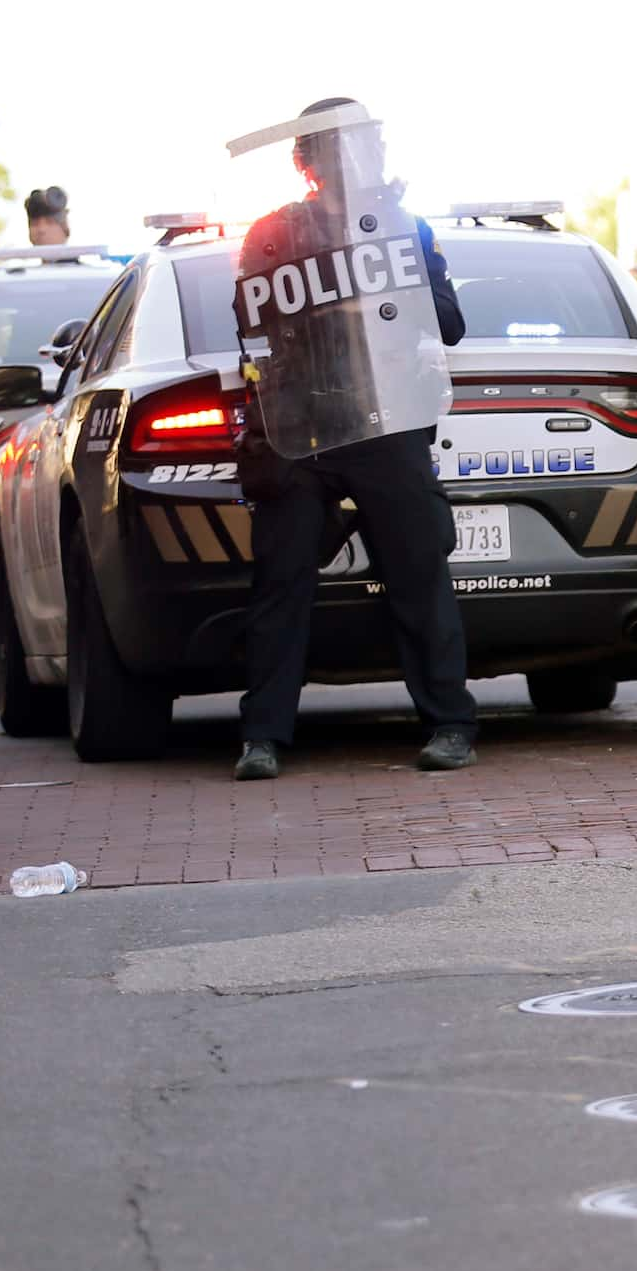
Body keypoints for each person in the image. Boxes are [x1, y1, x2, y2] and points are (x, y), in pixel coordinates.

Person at [232, 100, 476, 781]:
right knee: (280, 583)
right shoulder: (273, 233)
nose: (354, 156)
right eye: (336, 146)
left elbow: (450, 322)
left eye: (362, 143)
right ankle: (263, 737)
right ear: (308, 158)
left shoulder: (406, 228)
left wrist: (380, 289)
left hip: (387, 420)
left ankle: (451, 724)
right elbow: (250, 324)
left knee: (419, 576)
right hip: (302, 429)